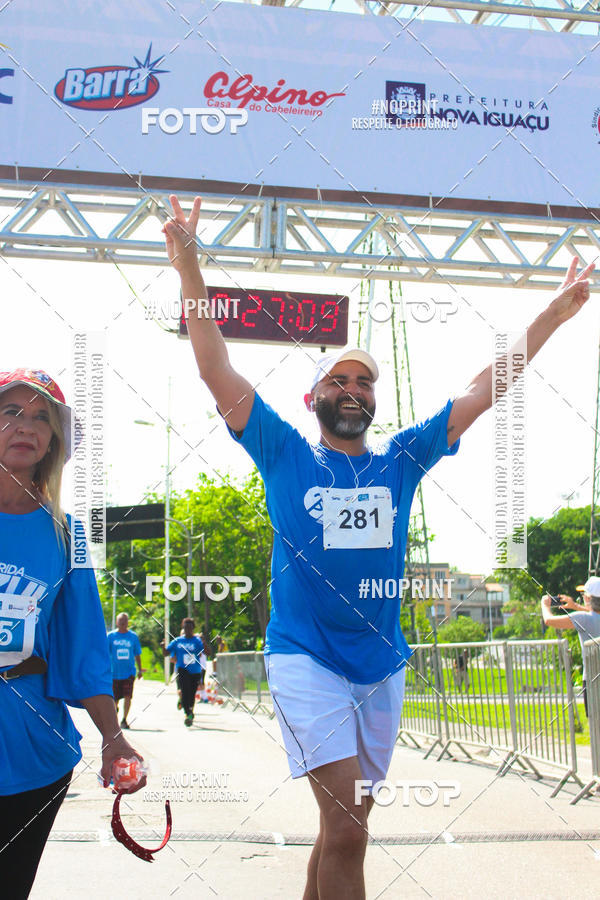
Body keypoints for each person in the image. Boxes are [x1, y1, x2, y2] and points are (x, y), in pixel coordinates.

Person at [163, 194, 594, 900]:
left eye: (365, 381)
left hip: (381, 665)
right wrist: (189, 270)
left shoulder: (401, 459)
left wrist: (551, 315)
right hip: (306, 657)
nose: (355, 388)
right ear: (314, 399)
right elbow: (216, 370)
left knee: (346, 831)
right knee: (346, 826)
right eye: (340, 378)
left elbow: (487, 389)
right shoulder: (283, 452)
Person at [0, 369, 145, 898]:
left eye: (41, 418)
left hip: (32, 746)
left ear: (53, 443)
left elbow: (83, 644)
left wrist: (113, 738)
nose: (25, 426)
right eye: (10, 411)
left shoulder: (68, 534)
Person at [541, 577, 600, 716]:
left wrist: (545, 605)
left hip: (592, 680)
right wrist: (575, 606)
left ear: (587, 598)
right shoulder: (585, 616)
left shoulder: (583, 619)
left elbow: (549, 620)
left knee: (595, 725)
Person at [162, 618, 204, 726]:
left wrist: (204, 644)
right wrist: (163, 646)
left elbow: (203, 653)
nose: (187, 629)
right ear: (183, 628)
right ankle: (188, 713)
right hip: (182, 669)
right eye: (185, 627)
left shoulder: (197, 641)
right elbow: (166, 653)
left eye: (189, 627)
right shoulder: (178, 641)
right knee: (185, 691)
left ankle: (190, 709)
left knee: (192, 693)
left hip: (195, 671)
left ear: (193, 628)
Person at [107, 612, 143, 729]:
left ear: (128, 622)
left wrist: (140, 670)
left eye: (125, 621)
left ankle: (124, 720)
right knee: (114, 698)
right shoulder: (111, 636)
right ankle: (114, 718)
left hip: (128, 673)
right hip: (114, 673)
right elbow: (105, 654)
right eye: (120, 621)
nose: (123, 623)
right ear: (117, 622)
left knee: (128, 696)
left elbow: (137, 654)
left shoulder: (133, 637)